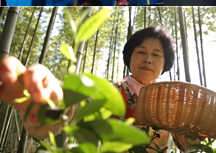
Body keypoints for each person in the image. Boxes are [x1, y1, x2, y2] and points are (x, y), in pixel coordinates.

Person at [0, 26, 199, 152]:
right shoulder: (111, 92)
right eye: (141, 52)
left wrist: (196, 129)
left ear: (165, 64)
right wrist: (52, 100)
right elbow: (75, 108)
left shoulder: (171, 101)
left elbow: (186, 143)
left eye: (156, 55)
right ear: (129, 58)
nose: (148, 58)